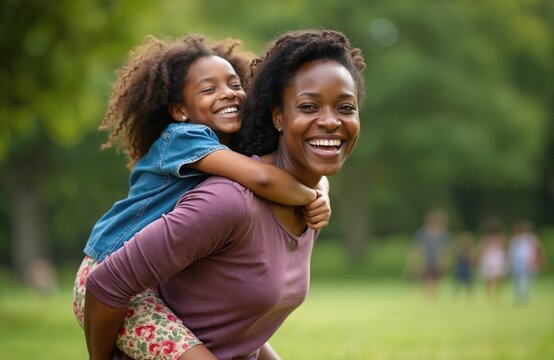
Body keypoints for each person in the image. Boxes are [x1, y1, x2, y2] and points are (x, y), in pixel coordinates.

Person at [84, 29, 366, 359]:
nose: (330, 121)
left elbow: (233, 318)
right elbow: (107, 283)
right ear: (278, 116)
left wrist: (319, 194)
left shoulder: (302, 198)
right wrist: (311, 195)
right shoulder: (223, 190)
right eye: (308, 106)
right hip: (103, 259)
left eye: (346, 107)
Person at [411, 209, 450, 297]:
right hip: (426, 260)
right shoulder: (422, 233)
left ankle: (431, 297)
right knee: (428, 279)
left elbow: (445, 250)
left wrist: (445, 261)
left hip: (437, 260)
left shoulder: (443, 234)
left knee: (435, 279)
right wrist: (416, 261)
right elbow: (417, 248)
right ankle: (429, 297)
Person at [508, 219, 546, 305]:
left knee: (526, 281)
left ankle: (524, 298)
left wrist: (540, 259)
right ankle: (519, 297)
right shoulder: (514, 240)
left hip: (529, 263)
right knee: (517, 282)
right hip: (517, 264)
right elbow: (511, 253)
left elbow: (539, 249)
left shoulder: (531, 239)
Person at [478, 218, 507, 300]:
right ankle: (490, 295)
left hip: (497, 258)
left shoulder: (501, 238)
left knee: (498, 277)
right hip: (489, 258)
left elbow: (504, 248)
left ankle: (495, 295)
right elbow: (481, 249)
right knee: (488, 278)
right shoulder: (486, 238)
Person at [452, 231, 476, 298]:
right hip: (460, 269)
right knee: (458, 283)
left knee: (469, 283)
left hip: (467, 269)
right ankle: (456, 295)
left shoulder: (470, 251)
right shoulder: (458, 250)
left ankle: (470, 296)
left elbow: (473, 261)